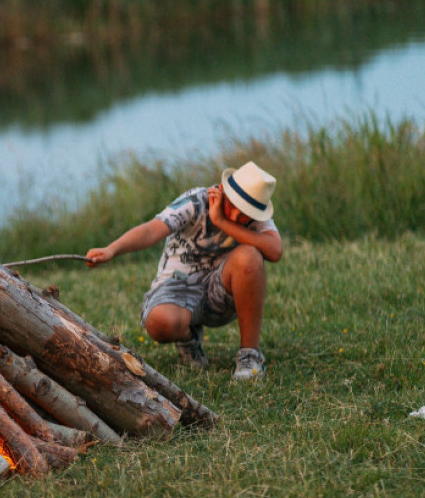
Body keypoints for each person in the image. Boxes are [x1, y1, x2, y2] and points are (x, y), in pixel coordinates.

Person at [85, 162, 282, 381]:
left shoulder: (256, 214)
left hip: (221, 293)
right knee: (159, 323)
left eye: (244, 215)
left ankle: (250, 356)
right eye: (233, 206)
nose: (237, 216)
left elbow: (275, 251)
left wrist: (222, 222)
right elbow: (152, 230)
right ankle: (189, 342)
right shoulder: (196, 200)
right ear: (223, 190)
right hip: (178, 288)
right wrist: (111, 250)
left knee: (250, 258)